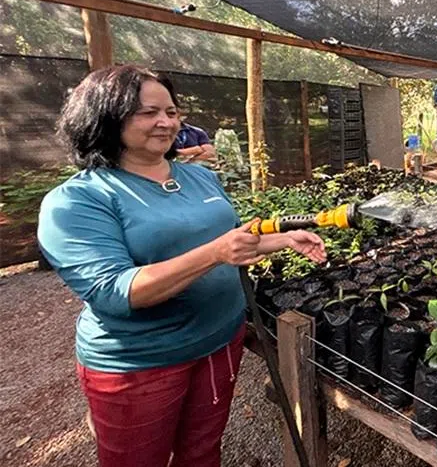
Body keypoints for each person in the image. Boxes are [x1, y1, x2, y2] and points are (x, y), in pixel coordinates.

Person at [37, 65, 326, 467]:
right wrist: (215, 253)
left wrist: (281, 239)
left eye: (172, 112)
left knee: (202, 453)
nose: (165, 121)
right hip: (141, 364)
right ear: (104, 117)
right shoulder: (78, 200)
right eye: (147, 112)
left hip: (220, 343)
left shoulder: (198, 177)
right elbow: (115, 292)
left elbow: (226, 240)